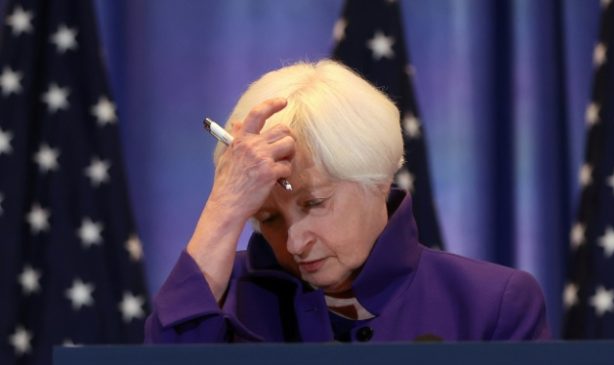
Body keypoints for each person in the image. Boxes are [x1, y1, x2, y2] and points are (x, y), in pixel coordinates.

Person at [145, 60, 550, 343]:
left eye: (314, 203)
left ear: (377, 178)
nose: (293, 242)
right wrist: (223, 208)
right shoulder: (220, 299)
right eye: (267, 218)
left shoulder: (492, 305)